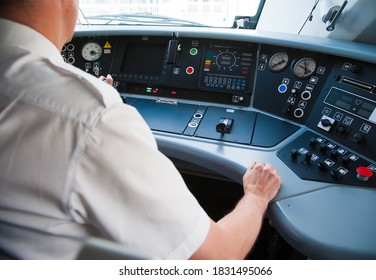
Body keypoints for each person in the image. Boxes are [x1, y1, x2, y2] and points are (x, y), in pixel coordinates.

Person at [0, 0, 282, 260]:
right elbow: (217, 257)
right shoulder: (90, 115)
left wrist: (90, 102)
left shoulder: (82, 111)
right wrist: (257, 195)